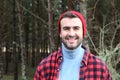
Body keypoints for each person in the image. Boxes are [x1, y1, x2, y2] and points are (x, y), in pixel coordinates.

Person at [34, 10, 112, 80]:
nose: (71, 34)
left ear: (83, 32)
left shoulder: (100, 67)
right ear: (60, 33)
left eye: (76, 28)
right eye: (66, 28)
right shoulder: (45, 66)